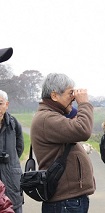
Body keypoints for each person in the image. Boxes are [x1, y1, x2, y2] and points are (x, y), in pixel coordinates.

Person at [30, 73, 95, 213]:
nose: (73, 97)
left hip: (68, 200)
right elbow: (83, 130)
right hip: (65, 202)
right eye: (70, 93)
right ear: (54, 96)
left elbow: (76, 117)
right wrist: (84, 103)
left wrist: (70, 105)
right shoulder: (47, 118)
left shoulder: (54, 114)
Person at [0, 47, 23, 213]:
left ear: (6, 105)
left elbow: (19, 148)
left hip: (11, 183)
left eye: (0, 103)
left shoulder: (14, 124)